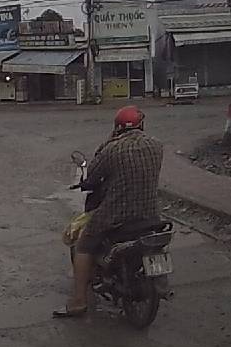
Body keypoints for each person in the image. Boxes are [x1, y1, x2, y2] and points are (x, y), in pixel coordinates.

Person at [56, 105, 164, 318]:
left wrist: (108, 141)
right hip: (150, 213)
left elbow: (92, 177)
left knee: (83, 245)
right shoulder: (156, 145)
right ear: (141, 125)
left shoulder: (112, 150)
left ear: (117, 127)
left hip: (117, 216)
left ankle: (78, 302)